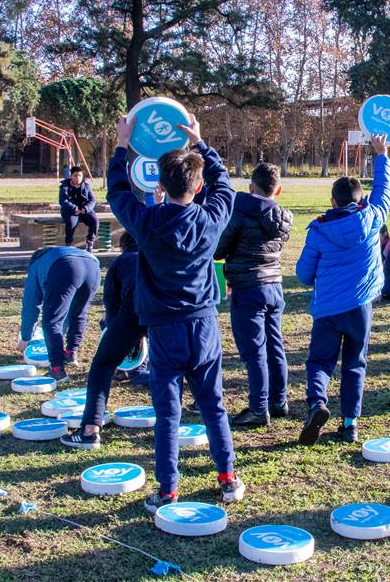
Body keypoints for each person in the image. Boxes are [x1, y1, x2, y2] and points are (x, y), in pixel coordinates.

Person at [109, 113, 245, 510]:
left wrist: (123, 145)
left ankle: (168, 489)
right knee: (213, 404)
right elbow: (225, 185)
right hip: (203, 326)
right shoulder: (212, 217)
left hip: (164, 329)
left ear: (159, 185)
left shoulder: (145, 222)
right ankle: (228, 478)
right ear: (198, 186)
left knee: (168, 414)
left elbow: (117, 192)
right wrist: (201, 143)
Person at [295, 133, 390, 446]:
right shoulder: (373, 217)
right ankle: (350, 424)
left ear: (333, 202)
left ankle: (317, 403)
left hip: (327, 309)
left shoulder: (319, 230)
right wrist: (381, 155)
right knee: (354, 363)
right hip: (360, 307)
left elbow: (303, 274)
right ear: (361, 201)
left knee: (320, 361)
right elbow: (383, 192)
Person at [214, 162, 293, 428]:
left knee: (254, 351)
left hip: (248, 286)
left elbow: (219, 250)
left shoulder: (239, 213)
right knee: (275, 346)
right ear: (277, 190)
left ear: (251, 187)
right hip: (274, 285)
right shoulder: (284, 218)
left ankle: (259, 408)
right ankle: (279, 401)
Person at [61, 231, 143, 450]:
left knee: (102, 364)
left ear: (123, 246)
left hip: (133, 311)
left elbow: (112, 307)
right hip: (172, 313)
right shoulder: (159, 254)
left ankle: (89, 431)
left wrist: (121, 340)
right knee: (174, 367)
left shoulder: (122, 261)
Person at [18, 245, 101, 382]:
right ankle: (71, 353)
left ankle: (57, 369)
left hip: (65, 266)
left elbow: (30, 305)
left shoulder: (35, 265)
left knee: (52, 320)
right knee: (79, 312)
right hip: (93, 266)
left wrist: (26, 337)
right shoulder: (53, 255)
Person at [59, 165, 98, 251]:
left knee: (94, 220)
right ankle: (69, 243)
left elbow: (92, 200)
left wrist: (86, 209)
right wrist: (74, 208)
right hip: (71, 211)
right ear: (71, 176)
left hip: (84, 210)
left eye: (80, 175)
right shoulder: (64, 186)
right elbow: (63, 200)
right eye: (75, 175)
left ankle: (90, 241)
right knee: (71, 223)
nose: (78, 178)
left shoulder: (86, 186)